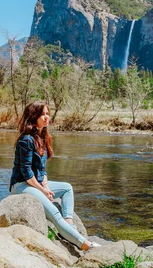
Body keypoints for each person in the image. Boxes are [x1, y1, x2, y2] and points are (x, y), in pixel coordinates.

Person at [10, 102, 100, 251]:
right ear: (34, 117)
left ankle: (69, 223)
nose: (47, 117)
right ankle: (86, 245)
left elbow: (41, 170)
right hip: (21, 186)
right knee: (54, 212)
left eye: (47, 113)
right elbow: (26, 173)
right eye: (43, 114)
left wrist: (45, 186)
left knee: (67, 188)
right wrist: (43, 191)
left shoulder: (42, 137)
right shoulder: (25, 140)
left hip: (36, 184)